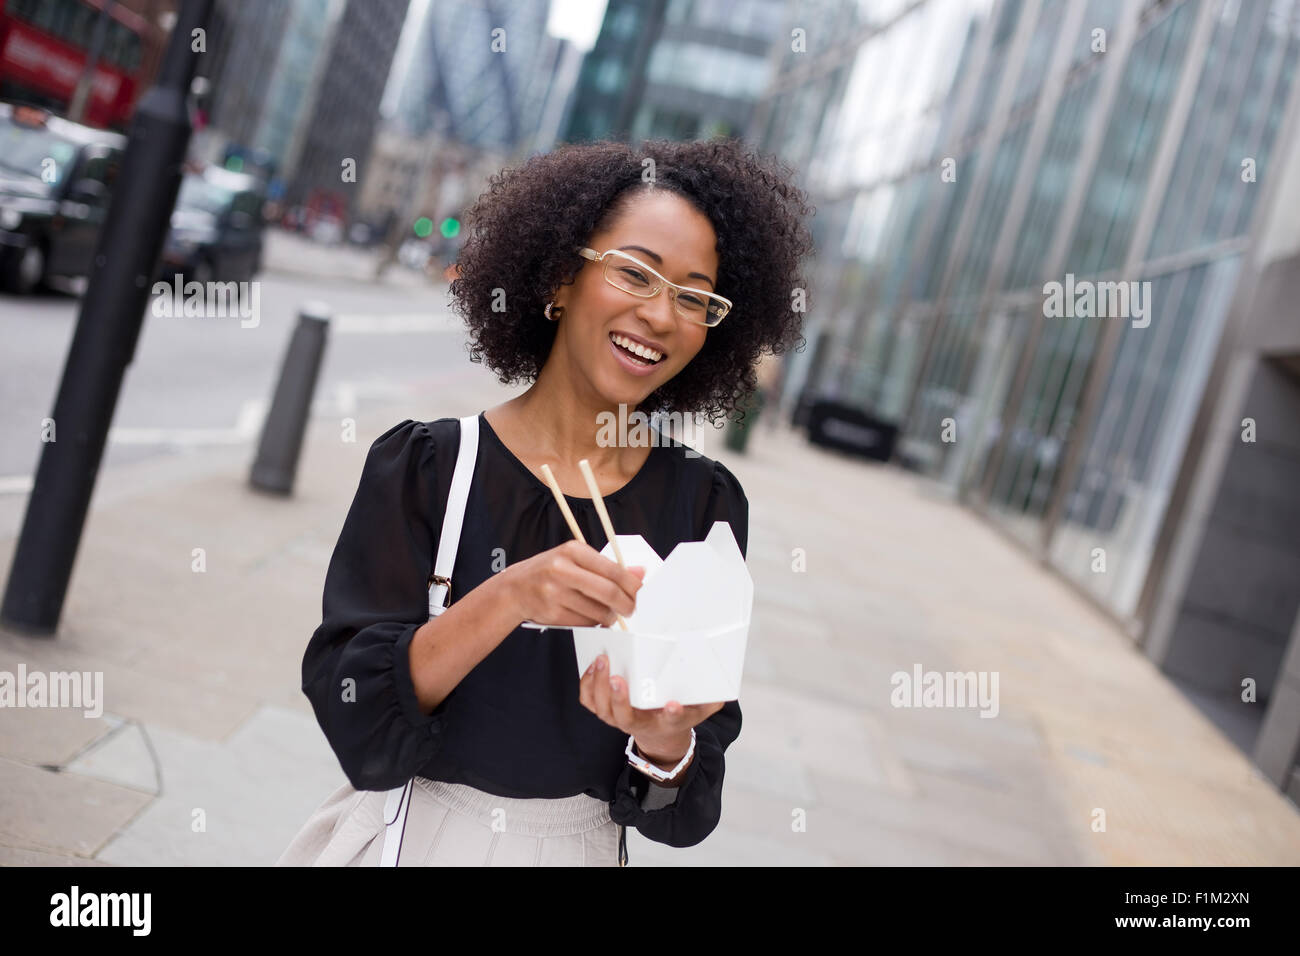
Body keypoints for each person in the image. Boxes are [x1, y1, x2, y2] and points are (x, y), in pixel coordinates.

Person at [276, 138, 813, 866]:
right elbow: (358, 727)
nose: (661, 315)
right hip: (412, 839)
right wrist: (510, 595)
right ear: (561, 278)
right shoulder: (433, 465)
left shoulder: (704, 504)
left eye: (694, 296)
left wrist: (662, 737)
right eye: (635, 274)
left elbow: (683, 812)